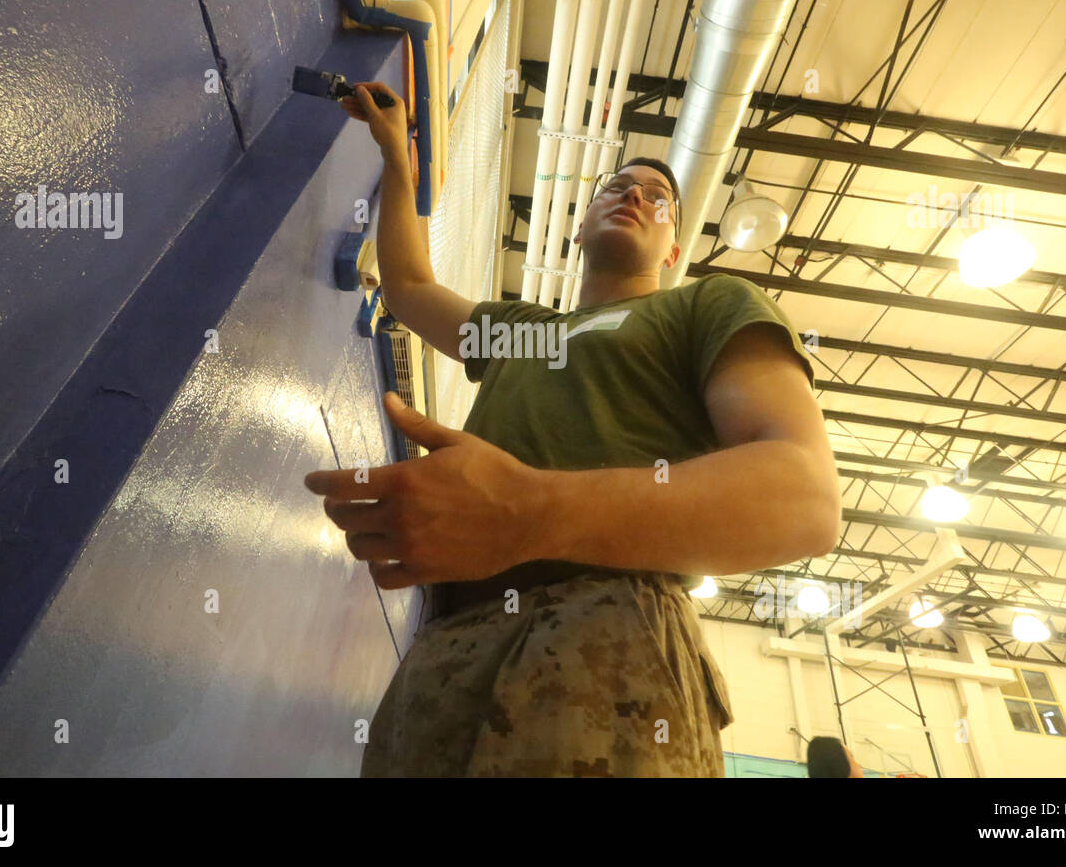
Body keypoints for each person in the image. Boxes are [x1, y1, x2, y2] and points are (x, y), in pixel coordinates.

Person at [304, 80, 841, 777]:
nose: (637, 196)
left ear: (673, 252)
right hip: (445, 644)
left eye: (659, 200)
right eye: (619, 186)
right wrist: (398, 161)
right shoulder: (525, 335)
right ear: (579, 228)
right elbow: (408, 288)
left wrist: (532, 511)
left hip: (613, 632)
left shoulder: (704, 309)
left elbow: (804, 498)